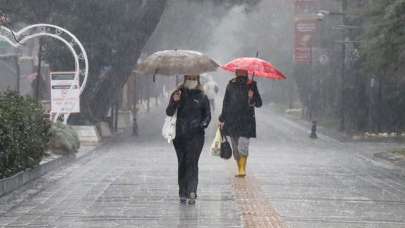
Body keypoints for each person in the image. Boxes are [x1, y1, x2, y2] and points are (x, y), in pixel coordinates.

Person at [166, 75, 211, 204]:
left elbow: (207, 115)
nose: (191, 80)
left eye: (193, 77)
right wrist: (175, 101)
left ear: (197, 79)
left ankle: (192, 191)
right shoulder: (178, 93)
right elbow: (169, 112)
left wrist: (202, 124)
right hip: (179, 135)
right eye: (189, 77)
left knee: (192, 162)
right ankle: (182, 191)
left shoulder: (202, 96)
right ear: (185, 78)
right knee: (182, 162)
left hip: (196, 136)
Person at [219, 69, 262, 177]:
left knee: (243, 146)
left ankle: (242, 169)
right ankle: (239, 167)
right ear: (236, 72)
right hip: (232, 120)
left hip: (246, 121)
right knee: (235, 149)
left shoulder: (252, 85)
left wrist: (252, 97)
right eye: (239, 71)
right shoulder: (230, 85)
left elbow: (259, 103)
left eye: (243, 72)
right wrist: (222, 117)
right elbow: (226, 102)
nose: (241, 73)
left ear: (247, 73)